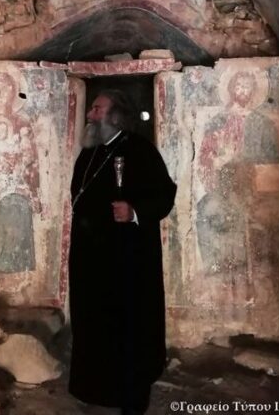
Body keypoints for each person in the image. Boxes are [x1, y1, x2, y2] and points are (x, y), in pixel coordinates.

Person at [69, 90, 177, 415]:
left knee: (129, 325)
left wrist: (134, 212)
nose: (90, 115)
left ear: (115, 116)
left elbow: (165, 194)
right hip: (91, 257)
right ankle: (96, 388)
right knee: (94, 322)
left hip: (128, 259)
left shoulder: (140, 150)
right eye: (91, 109)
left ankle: (132, 395)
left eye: (97, 109)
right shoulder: (89, 153)